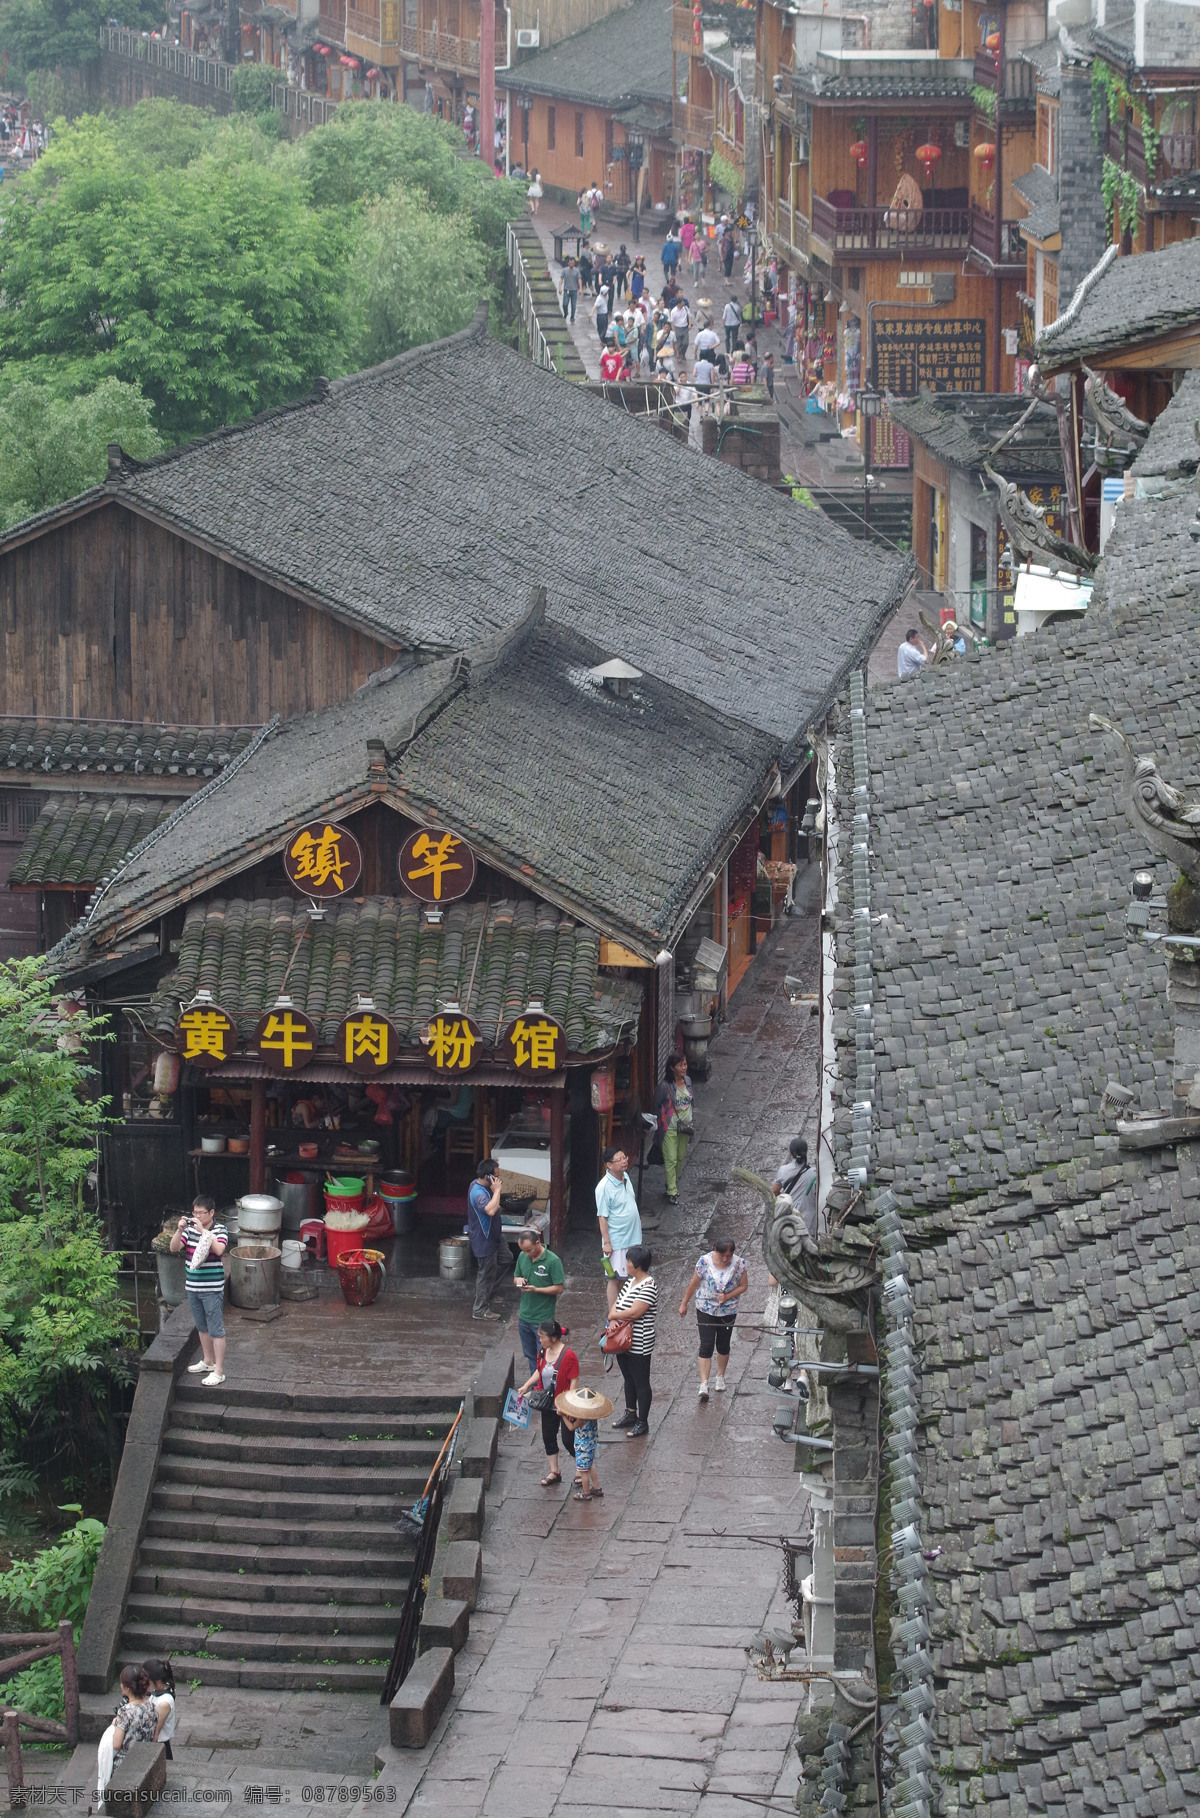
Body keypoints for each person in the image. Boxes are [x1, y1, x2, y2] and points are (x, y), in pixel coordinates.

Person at [679, 1239, 749, 1399]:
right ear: (715, 1251)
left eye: (728, 1256)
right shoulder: (704, 1262)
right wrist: (684, 1303)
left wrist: (727, 1296)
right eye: (722, 1255)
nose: (726, 1259)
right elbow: (694, 1283)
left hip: (728, 1310)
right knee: (706, 1343)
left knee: (723, 1344)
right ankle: (704, 1383)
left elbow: (743, 1285)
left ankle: (720, 1377)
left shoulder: (739, 1264)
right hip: (705, 1307)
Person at [171, 1195, 229, 1387]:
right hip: (193, 1288)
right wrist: (180, 1230)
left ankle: (219, 1371)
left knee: (216, 1329)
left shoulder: (219, 1229)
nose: (197, 1216)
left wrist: (204, 1232)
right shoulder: (189, 1230)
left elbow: (219, 1250)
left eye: (201, 1213)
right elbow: (173, 1248)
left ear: (211, 1213)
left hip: (211, 1288)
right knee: (202, 1327)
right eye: (194, 1212)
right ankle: (207, 1361)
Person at [516, 1319, 579, 1486]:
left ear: (553, 1337)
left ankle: (581, 1468)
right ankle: (554, 1471)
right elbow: (540, 1370)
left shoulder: (569, 1355)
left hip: (564, 1405)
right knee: (548, 1437)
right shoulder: (543, 1352)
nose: (540, 1340)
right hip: (548, 1404)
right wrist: (527, 1385)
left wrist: (570, 1404)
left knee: (568, 1439)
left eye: (542, 1337)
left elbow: (573, 1380)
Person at [608, 1246, 657, 1436]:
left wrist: (614, 1314)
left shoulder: (649, 1286)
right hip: (622, 1341)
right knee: (628, 1378)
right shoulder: (630, 1283)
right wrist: (613, 1319)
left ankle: (642, 1421)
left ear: (637, 1265)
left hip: (639, 1341)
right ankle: (630, 1413)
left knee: (641, 1382)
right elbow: (618, 1303)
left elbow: (635, 1312)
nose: (626, 1264)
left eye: (629, 1261)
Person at [513, 1228, 566, 1374]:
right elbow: (516, 1276)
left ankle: (543, 1388)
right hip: (524, 1316)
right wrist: (519, 1281)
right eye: (523, 1251)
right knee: (530, 1356)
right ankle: (535, 1387)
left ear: (538, 1243)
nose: (526, 1254)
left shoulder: (553, 1261)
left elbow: (559, 1288)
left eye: (529, 1250)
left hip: (542, 1319)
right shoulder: (522, 1257)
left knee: (543, 1356)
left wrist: (536, 1289)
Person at [596, 1145, 641, 1311]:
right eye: (619, 1160)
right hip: (617, 1240)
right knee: (614, 1278)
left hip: (633, 1237)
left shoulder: (626, 1177)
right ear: (609, 1165)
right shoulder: (603, 1187)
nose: (624, 1162)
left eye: (624, 1158)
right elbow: (602, 1217)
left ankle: (625, 1308)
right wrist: (607, 1242)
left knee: (630, 1275)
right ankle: (613, 1314)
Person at [556, 1384, 611, 1501]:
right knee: (590, 1466)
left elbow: (571, 1427)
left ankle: (586, 1493)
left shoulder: (581, 1419)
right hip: (591, 1444)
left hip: (583, 1446)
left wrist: (563, 1417)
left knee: (583, 1470)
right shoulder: (592, 1416)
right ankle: (597, 1487)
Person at [467, 1157, 505, 1319]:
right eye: (495, 1176)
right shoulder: (478, 1193)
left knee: (506, 1258)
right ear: (487, 1177)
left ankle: (489, 1292)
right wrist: (497, 1191)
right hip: (484, 1237)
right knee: (486, 1273)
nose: (498, 1179)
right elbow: (489, 1210)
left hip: (495, 1235)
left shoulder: (483, 1185)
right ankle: (480, 1309)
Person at [654, 1053, 694, 1204]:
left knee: (679, 1157)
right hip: (669, 1127)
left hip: (685, 1127)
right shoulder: (664, 1087)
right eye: (680, 1065)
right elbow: (657, 1105)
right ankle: (672, 1190)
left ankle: (672, 1183)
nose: (684, 1068)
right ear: (672, 1068)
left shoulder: (688, 1081)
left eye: (685, 1064)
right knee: (670, 1159)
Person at [775, 1136, 818, 1238]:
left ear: (791, 1152)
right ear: (806, 1152)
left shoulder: (784, 1170)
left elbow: (774, 1190)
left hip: (789, 1216)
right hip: (809, 1220)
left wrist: (784, 1197)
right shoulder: (814, 1173)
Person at [142, 1658, 176, 1760]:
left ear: (156, 1679)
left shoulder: (164, 1703)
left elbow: (155, 1733)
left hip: (160, 1748)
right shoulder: (161, 1689)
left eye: (146, 1677)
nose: (144, 1680)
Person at [592, 279, 612, 345]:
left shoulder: (604, 297)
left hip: (604, 314)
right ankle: (602, 340)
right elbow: (594, 306)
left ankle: (602, 339)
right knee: (602, 328)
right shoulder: (599, 298)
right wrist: (591, 313)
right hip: (601, 316)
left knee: (605, 327)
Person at [560, 257, 580, 322]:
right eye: (570, 263)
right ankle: (566, 313)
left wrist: (580, 288)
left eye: (573, 263)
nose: (571, 264)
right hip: (566, 290)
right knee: (565, 304)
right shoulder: (564, 270)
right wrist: (560, 288)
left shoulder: (577, 271)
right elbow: (561, 279)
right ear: (568, 263)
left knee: (573, 305)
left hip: (574, 290)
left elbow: (579, 279)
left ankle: (572, 317)